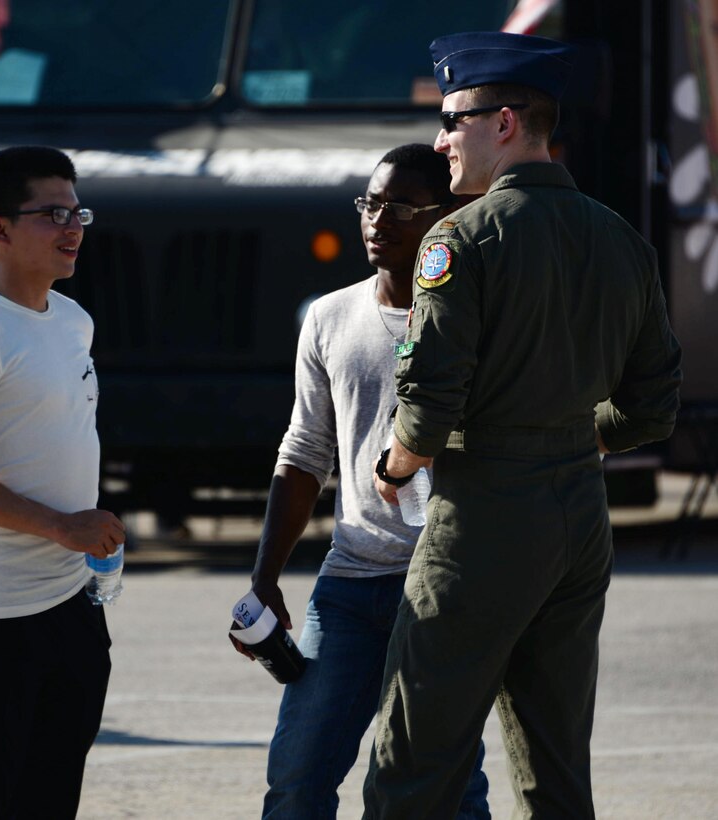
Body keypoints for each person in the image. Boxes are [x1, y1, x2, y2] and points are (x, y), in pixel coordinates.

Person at [363, 32, 682, 817]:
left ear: (504, 122)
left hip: (485, 516)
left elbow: (428, 411)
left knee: (413, 757)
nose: (440, 141)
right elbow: (651, 407)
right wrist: (568, 436)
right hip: (579, 510)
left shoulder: (459, 240)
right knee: (555, 763)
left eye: (452, 119)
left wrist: (393, 469)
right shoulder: (623, 240)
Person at [230, 144, 488, 819]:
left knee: (447, 788)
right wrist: (264, 580)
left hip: (440, 587)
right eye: (371, 203)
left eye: (401, 206)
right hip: (346, 587)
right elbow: (304, 453)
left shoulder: (481, 316)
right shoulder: (329, 317)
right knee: (295, 782)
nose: (379, 219)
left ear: (448, 216)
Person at [0, 145, 123, 820]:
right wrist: (61, 525)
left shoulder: (73, 321)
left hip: (76, 604)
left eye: (78, 211)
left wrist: (82, 533)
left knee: (50, 797)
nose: (73, 228)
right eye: (52, 213)